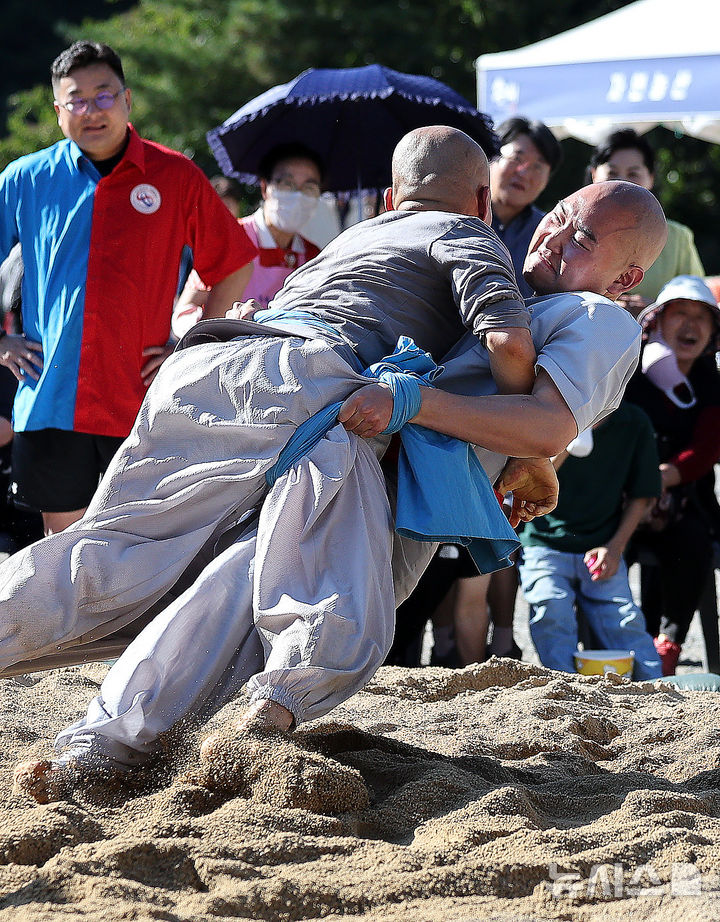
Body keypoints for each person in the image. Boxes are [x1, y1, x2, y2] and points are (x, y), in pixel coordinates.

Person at [9, 164, 666, 803]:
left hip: (358, 458)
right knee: (234, 590)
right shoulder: (496, 281)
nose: (556, 237)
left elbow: (546, 422)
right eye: (559, 217)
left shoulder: (598, 317)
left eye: (583, 238)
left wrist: (432, 411)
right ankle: (143, 742)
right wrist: (491, 438)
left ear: (627, 277)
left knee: (196, 576)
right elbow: (516, 404)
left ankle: (121, 741)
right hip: (344, 449)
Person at [0, 41, 257, 536]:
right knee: (64, 545)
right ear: (57, 111)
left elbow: (233, 264)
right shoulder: (26, 178)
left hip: (143, 398)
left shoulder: (175, 175)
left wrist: (192, 345)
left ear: (127, 99)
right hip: (51, 396)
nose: (91, 110)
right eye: (76, 100)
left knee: (141, 544)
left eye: (104, 95)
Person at [518, 402, 663, 680]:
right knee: (551, 610)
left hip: (603, 545)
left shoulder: (633, 421)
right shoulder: (545, 412)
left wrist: (615, 548)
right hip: (544, 542)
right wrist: (570, 438)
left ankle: (656, 687)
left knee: (624, 620)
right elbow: (530, 484)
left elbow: (642, 495)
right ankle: (563, 686)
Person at [625, 275, 720, 675]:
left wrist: (666, 477)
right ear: (659, 320)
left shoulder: (710, 380)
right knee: (600, 546)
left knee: (693, 541)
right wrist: (638, 485)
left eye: (702, 317)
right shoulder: (630, 370)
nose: (690, 325)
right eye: (680, 313)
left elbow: (709, 446)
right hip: (622, 496)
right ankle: (614, 642)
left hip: (684, 498)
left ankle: (669, 641)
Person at [173, 147, 323, 338]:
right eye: (288, 184)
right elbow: (186, 308)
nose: (298, 196)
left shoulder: (314, 256)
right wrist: (205, 330)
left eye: (309, 188)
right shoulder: (231, 238)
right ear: (265, 188)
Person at [588, 128, 704, 315]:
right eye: (613, 173)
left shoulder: (678, 238)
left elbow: (697, 302)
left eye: (633, 174)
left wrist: (656, 309)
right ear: (594, 175)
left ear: (651, 178)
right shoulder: (571, 230)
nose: (623, 183)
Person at [490, 117, 563, 299]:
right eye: (516, 158)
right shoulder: (458, 215)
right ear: (491, 158)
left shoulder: (552, 234)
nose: (523, 173)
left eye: (537, 167)